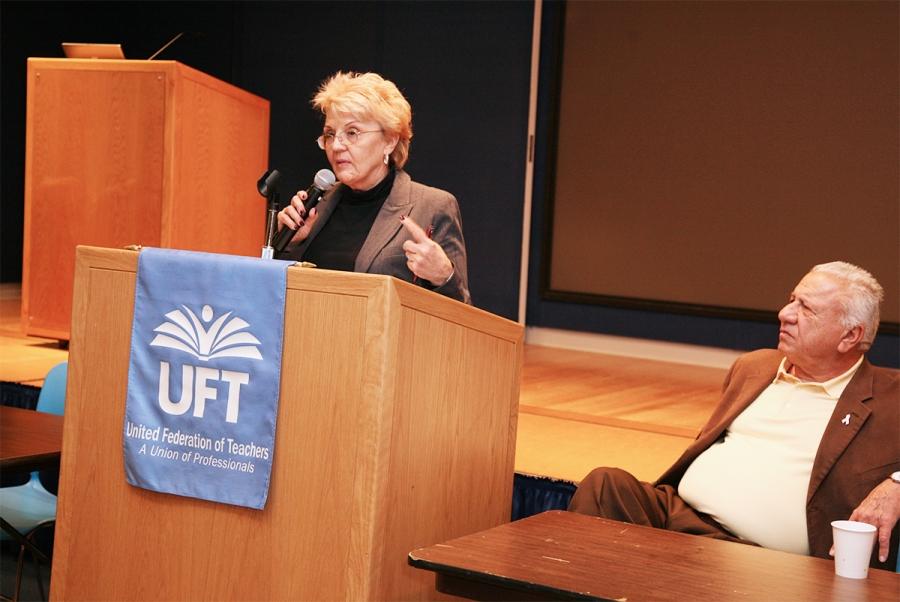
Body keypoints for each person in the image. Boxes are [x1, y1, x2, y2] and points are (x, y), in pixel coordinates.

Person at [568, 261, 899, 569]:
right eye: (792, 300)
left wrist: (897, 484)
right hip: (677, 516)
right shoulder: (754, 366)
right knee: (605, 485)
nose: (785, 314)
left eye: (807, 309)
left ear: (850, 336)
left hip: (756, 557)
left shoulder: (890, 395)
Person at [275, 71, 471, 305]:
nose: (336, 145)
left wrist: (443, 276)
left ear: (389, 140)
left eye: (352, 132)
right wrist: (289, 244)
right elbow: (276, 295)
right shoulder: (316, 204)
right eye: (330, 134)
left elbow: (461, 313)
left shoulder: (433, 207)